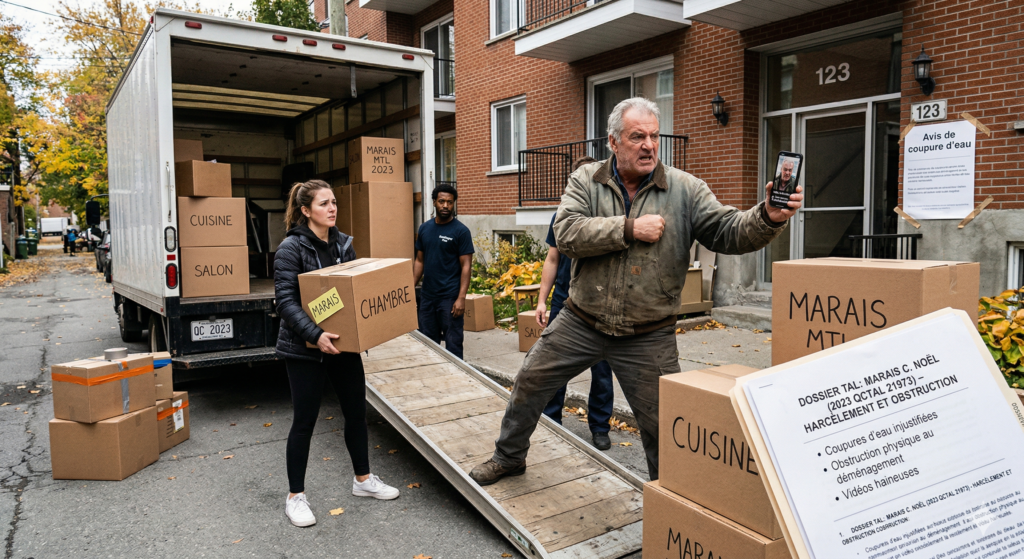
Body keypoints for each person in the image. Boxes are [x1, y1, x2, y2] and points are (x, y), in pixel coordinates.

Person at [469, 97, 803, 485]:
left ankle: (671, 498)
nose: (648, 145)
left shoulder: (685, 189)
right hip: (581, 321)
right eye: (637, 137)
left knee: (665, 424)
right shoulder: (586, 180)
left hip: (649, 335)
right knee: (529, 382)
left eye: (653, 137)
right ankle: (509, 457)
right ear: (613, 142)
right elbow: (567, 233)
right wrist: (629, 228)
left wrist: (767, 216)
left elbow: (729, 231)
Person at [274, 179, 400, 528]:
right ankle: (295, 497)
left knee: (356, 413)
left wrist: (366, 329)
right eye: (323, 204)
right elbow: (285, 301)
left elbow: (356, 294)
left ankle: (363, 481)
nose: (332, 209)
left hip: (342, 345)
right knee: (304, 422)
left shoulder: (344, 245)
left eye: (334, 203)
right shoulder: (291, 248)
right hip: (305, 349)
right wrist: (316, 333)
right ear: (305, 210)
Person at [538, 156, 615, 451]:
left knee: (602, 367)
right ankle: (551, 419)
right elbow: (553, 258)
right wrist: (542, 301)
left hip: (599, 303)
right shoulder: (562, 214)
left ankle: (599, 427)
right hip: (564, 300)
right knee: (555, 364)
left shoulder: (607, 215)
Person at [413, 183, 474, 359]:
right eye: (441, 201)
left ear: (454, 203)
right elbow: (419, 261)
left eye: (449, 202)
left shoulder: (461, 231)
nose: (445, 206)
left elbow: (466, 266)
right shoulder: (425, 229)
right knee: (427, 345)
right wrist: (409, 290)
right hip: (428, 298)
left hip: (450, 299)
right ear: (434, 202)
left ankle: (456, 382)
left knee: (453, 346)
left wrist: (461, 298)